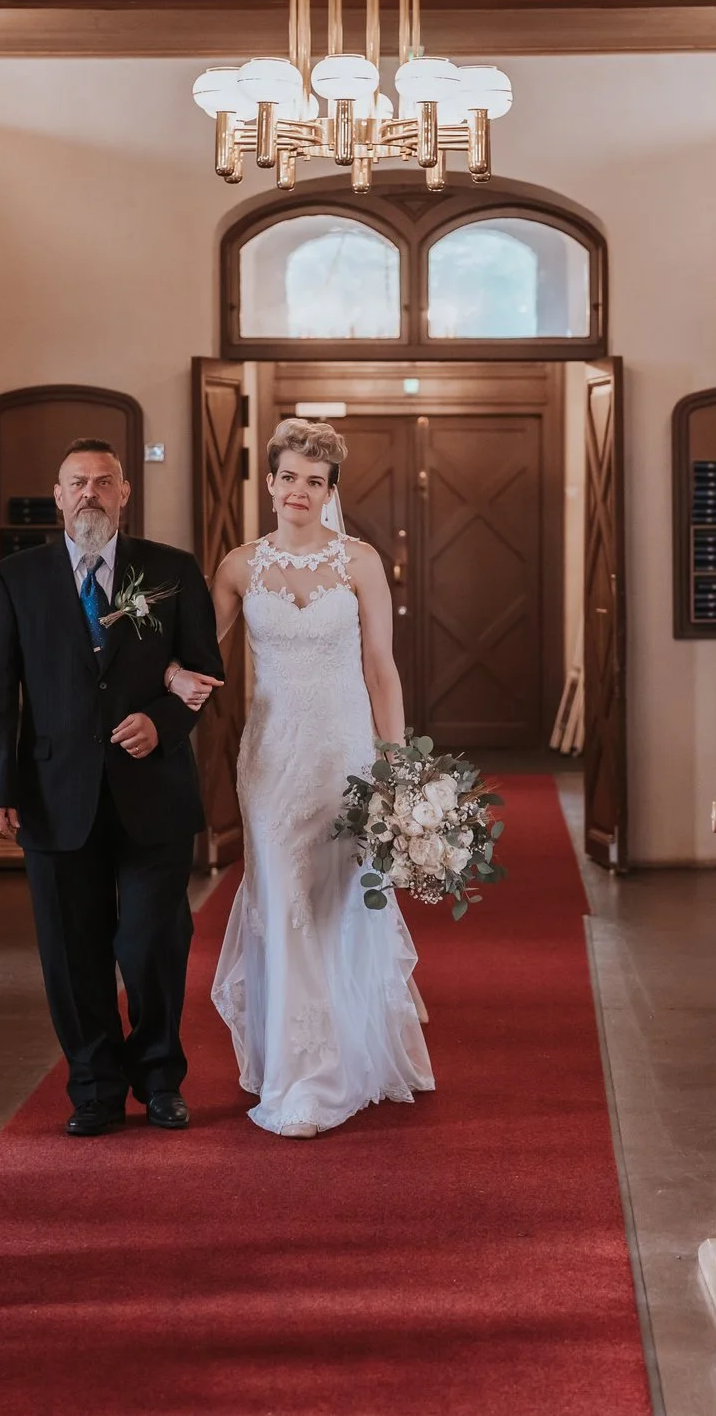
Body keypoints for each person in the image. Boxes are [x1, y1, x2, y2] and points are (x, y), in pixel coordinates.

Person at [168, 417, 434, 1138]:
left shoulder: (360, 563)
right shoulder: (237, 567)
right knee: (286, 904)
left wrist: (398, 764)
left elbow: (381, 667)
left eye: (314, 481)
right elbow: (200, 655)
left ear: (329, 490)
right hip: (275, 762)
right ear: (271, 480)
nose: (298, 490)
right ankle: (301, 1075)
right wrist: (164, 672)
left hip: (347, 755)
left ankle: (352, 1052)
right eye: (288, 476)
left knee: (344, 903)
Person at [0, 440, 225, 1136]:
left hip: (154, 792)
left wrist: (164, 721)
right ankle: (93, 1087)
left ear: (124, 494)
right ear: (58, 496)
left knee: (151, 941)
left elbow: (205, 670)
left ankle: (160, 1079)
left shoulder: (170, 571)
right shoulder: (15, 578)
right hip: (55, 795)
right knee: (71, 950)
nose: (90, 493)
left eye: (103, 482)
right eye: (77, 483)